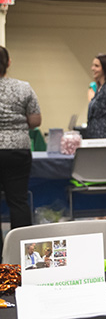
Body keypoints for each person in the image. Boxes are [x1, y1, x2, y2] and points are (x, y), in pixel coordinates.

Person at [0, 46, 40, 260]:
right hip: (17, 149)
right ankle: (21, 254)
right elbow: (35, 121)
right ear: (8, 63)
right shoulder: (23, 87)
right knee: (18, 201)